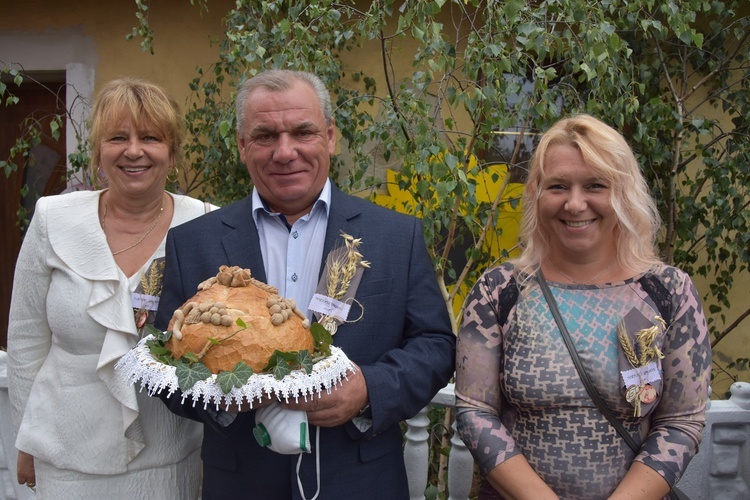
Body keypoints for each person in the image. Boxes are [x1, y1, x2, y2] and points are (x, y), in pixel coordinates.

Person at [153, 69, 456, 499]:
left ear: (330, 137)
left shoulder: (394, 236)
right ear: (242, 145)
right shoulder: (194, 242)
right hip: (242, 484)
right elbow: (165, 358)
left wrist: (369, 389)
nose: (285, 151)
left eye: (303, 132)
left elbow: (436, 344)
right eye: (265, 135)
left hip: (360, 482)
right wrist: (219, 400)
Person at [455, 114, 711, 500]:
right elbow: (475, 412)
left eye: (595, 185)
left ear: (623, 193)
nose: (575, 204)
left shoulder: (668, 292)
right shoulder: (500, 290)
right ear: (536, 195)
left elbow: (681, 422)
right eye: (558, 186)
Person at [7, 77, 212, 499]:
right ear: (99, 149)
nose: (133, 150)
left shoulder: (206, 224)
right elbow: (27, 341)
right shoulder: (52, 219)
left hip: (170, 459)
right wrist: (25, 438)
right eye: (118, 137)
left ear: (171, 151)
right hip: (65, 457)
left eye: (150, 137)